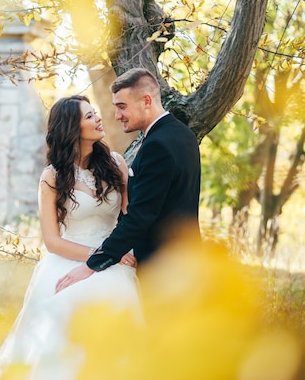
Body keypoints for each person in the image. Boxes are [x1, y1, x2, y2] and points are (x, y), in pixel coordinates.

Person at [0, 95, 142, 380]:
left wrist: (120, 253)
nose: (99, 118)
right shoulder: (52, 177)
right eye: (90, 116)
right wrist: (100, 256)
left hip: (116, 260)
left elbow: (130, 217)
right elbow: (53, 241)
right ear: (72, 127)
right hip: (69, 259)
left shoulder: (116, 163)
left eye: (95, 113)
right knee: (64, 332)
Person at [56, 67, 201, 293]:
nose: (116, 115)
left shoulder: (157, 146)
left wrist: (93, 264)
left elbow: (140, 216)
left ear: (146, 101)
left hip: (162, 266)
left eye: (122, 106)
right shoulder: (183, 134)